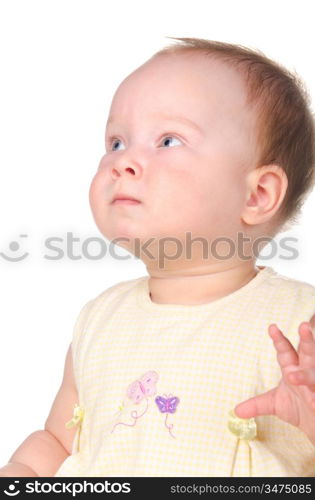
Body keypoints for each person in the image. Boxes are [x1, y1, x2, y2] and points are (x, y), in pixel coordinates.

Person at [1, 37, 315, 477]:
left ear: (258, 194)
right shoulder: (100, 320)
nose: (122, 161)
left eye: (168, 140)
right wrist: (23, 473)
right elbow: (57, 439)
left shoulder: (301, 327)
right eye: (115, 143)